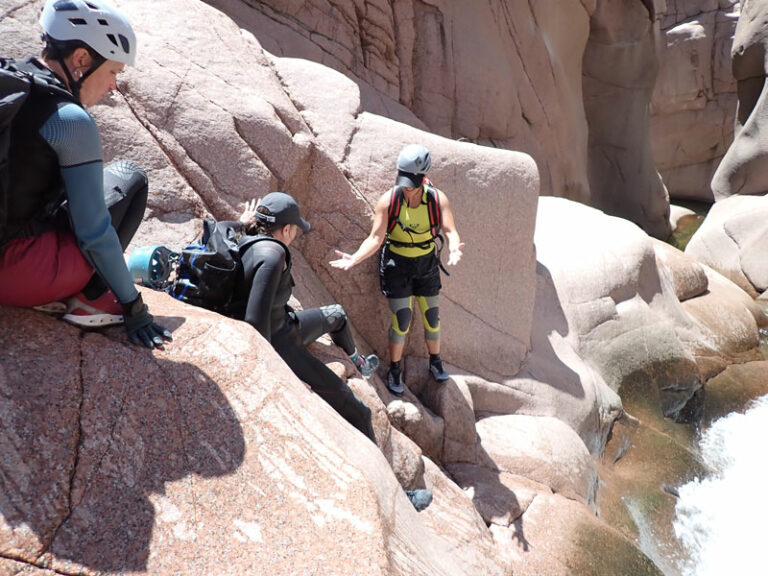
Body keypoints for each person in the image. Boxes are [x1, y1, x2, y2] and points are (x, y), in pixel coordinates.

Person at [236, 192, 432, 511]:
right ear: (285, 230)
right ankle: (397, 498)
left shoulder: (246, 237)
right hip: (283, 345)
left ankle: (356, 361)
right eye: (295, 229)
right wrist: (280, 379)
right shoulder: (274, 257)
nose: (297, 234)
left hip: (286, 323)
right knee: (359, 413)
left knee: (336, 314)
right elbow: (254, 325)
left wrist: (240, 223)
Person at [0, 0, 170, 348]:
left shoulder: (9, 83)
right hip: (17, 276)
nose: (113, 87)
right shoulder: (71, 121)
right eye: (113, 72)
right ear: (81, 59)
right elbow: (95, 233)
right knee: (130, 176)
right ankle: (91, 296)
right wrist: (134, 307)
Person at [329, 144, 463, 396]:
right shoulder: (390, 200)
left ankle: (435, 361)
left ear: (423, 177)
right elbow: (376, 238)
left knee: (432, 317)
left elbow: (450, 230)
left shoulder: (436, 199)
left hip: (426, 265)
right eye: (404, 179)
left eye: (412, 181)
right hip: (397, 265)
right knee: (402, 320)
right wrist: (355, 258)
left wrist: (454, 247)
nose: (407, 186)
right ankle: (395, 369)